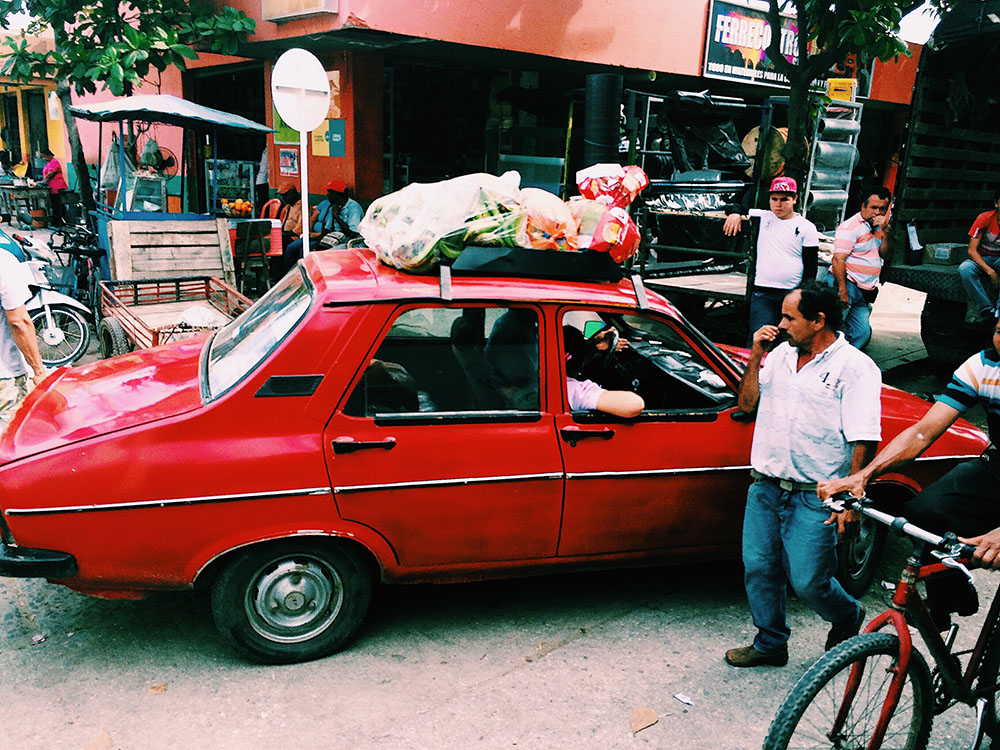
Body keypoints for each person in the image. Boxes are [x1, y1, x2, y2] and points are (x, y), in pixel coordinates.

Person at [725, 282, 882, 668]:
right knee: (759, 568)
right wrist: (755, 357)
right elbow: (747, 403)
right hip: (765, 485)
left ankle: (847, 615)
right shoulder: (777, 355)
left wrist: (851, 502)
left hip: (816, 495)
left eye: (788, 317)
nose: (779, 324)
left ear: (817, 321)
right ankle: (771, 642)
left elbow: (864, 438)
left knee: (810, 581)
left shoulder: (855, 368)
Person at [818, 314, 1000, 628]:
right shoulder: (983, 367)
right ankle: (949, 600)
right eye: (999, 331)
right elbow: (922, 433)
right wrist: (865, 475)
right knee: (923, 511)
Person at [724, 177, 819, 342]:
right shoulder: (763, 217)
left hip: (791, 292)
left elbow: (811, 266)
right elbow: (736, 206)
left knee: (790, 340)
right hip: (763, 291)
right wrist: (734, 213)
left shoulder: (807, 227)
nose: (778, 204)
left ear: (795, 199)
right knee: (759, 338)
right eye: (774, 199)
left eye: (784, 200)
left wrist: (803, 293)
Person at [825, 186, 892, 350]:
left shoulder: (880, 228)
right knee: (831, 329)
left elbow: (886, 254)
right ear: (863, 207)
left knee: (861, 333)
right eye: (873, 208)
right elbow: (838, 259)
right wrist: (842, 290)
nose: (877, 212)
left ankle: (845, 362)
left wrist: (886, 231)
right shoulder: (850, 227)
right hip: (847, 283)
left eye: (882, 209)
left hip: (864, 290)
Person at [0, 249, 47, 428]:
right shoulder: (3, 261)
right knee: (9, 443)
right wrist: (39, 371)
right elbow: (19, 321)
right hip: (4, 374)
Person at [281, 179, 363, 275]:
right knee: (305, 249)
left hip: (349, 241)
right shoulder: (334, 207)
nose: (327, 195)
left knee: (319, 253)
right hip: (333, 238)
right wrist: (318, 242)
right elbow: (327, 230)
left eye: (330, 193)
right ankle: (296, 275)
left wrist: (336, 216)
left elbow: (352, 233)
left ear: (337, 194)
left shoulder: (353, 207)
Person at [563, 325, 644, 417]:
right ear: (582, 362)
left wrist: (592, 346)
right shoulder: (574, 391)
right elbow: (635, 404)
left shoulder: (548, 379)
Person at [959, 190, 1000, 324]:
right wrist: (991, 272)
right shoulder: (985, 218)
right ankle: (986, 309)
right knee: (965, 269)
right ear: (996, 203)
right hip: (982, 258)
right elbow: (971, 250)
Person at [40, 148, 68, 227]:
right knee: (55, 205)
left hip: (57, 187)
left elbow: (50, 174)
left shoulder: (54, 162)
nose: (44, 159)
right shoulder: (49, 163)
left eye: (45, 157)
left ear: (49, 156)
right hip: (52, 187)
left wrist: (43, 182)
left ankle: (59, 223)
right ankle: (57, 222)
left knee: (57, 206)